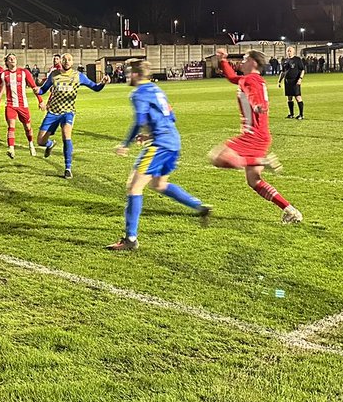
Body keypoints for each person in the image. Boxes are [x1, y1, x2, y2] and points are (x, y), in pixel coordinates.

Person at [106, 59, 210, 251]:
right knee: (159, 184)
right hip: (173, 141)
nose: (127, 76)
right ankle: (199, 206)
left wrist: (126, 143)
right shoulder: (157, 89)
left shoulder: (138, 93)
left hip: (160, 145)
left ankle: (130, 239)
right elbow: (171, 117)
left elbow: (139, 120)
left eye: (128, 73)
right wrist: (149, 134)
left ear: (136, 74)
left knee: (133, 187)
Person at [208, 49, 302, 224]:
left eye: (245, 59)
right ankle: (290, 210)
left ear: (253, 62)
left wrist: (257, 105)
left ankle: (263, 162)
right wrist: (223, 60)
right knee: (254, 181)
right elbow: (231, 78)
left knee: (217, 157)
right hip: (261, 134)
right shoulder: (250, 79)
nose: (241, 62)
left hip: (253, 135)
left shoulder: (252, 80)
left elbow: (254, 96)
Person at [36, 52, 108, 179]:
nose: (67, 61)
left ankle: (68, 168)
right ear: (61, 62)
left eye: (69, 59)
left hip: (68, 111)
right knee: (40, 141)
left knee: (66, 135)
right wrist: (38, 90)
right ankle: (50, 144)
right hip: (53, 112)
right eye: (64, 59)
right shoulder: (54, 75)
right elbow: (44, 89)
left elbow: (95, 88)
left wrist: (102, 83)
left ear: (72, 62)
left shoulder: (78, 76)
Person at [0, 53, 43, 159]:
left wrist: (40, 101)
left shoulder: (24, 72)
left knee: (28, 127)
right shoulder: (3, 74)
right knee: (11, 126)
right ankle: (11, 148)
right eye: (10, 59)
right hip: (10, 105)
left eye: (14, 58)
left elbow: (34, 87)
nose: (12, 60)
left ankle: (31, 144)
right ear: (7, 62)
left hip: (23, 105)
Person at [278, 45, 305, 120]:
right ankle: (291, 114)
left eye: (290, 51)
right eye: (287, 51)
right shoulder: (285, 61)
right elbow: (283, 72)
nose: (288, 52)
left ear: (293, 51)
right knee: (289, 98)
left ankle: (301, 115)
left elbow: (302, 70)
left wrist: (300, 79)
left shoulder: (297, 59)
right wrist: (279, 81)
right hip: (287, 81)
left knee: (298, 97)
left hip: (295, 81)